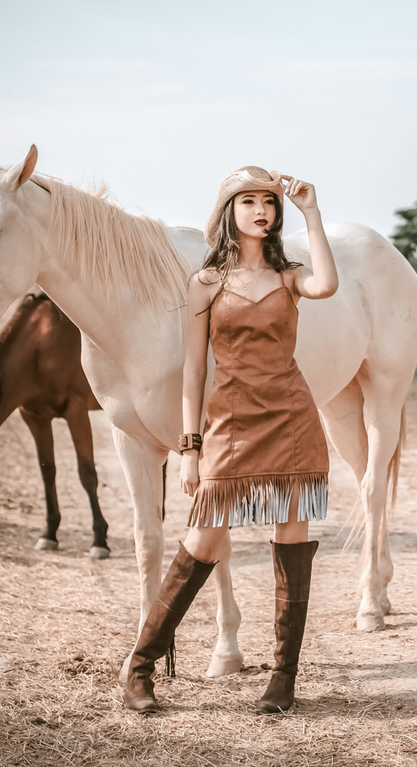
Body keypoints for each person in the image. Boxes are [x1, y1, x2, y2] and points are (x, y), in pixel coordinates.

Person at [120, 166, 339, 715]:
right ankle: (140, 667)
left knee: (292, 541)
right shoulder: (206, 282)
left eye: (269, 202)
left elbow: (328, 285)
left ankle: (283, 678)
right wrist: (190, 447)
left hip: (291, 422)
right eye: (248, 201)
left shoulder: (290, 277)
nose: (261, 210)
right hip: (230, 425)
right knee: (201, 542)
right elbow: (194, 370)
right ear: (228, 212)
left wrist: (312, 212)